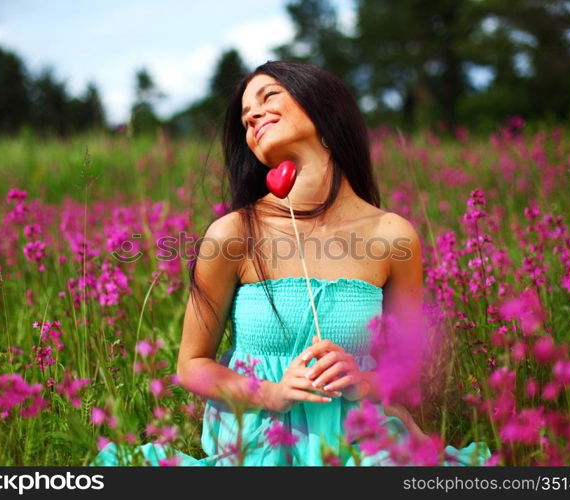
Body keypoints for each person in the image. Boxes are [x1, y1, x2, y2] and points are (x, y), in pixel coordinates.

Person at [92, 60, 490, 466]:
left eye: (269, 98)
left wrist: (362, 380)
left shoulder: (393, 235)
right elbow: (192, 366)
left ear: (323, 109)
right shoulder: (233, 234)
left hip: (366, 440)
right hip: (265, 442)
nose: (254, 117)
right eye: (246, 120)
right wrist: (270, 393)